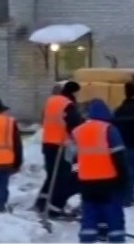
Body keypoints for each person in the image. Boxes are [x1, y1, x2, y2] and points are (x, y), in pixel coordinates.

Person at [72, 99, 129, 243]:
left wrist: (75, 178)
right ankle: (116, 240)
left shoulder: (78, 131)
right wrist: (124, 179)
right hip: (109, 182)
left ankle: (87, 239)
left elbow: (72, 159)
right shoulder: (109, 129)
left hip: (86, 183)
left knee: (89, 215)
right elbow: (119, 156)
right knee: (113, 215)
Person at [36, 81, 84, 218]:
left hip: (47, 143)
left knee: (52, 176)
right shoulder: (68, 105)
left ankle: (42, 202)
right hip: (60, 145)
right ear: (74, 92)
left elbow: (45, 120)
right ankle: (55, 208)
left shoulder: (51, 101)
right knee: (62, 178)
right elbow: (75, 124)